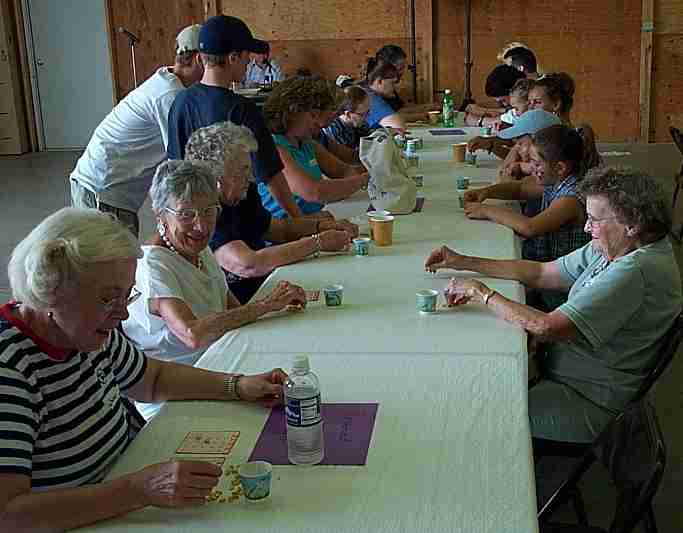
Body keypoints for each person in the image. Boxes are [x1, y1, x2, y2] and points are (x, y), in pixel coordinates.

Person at [0, 207, 291, 529]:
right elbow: (8, 515)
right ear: (52, 290)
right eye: (108, 299)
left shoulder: (85, 331)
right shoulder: (10, 370)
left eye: (127, 296)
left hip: (122, 489)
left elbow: (152, 379)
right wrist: (136, 490)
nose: (123, 314)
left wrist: (237, 385)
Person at [426, 167, 681, 444]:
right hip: (567, 369)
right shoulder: (618, 243)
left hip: (588, 396)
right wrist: (462, 262)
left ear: (632, 224)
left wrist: (482, 293)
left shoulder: (635, 270)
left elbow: (546, 327)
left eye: (594, 220)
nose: (586, 228)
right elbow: (541, 273)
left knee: (473, 411)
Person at [122, 161, 306, 418]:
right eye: (186, 214)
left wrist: (277, 303)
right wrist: (267, 305)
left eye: (209, 211)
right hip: (178, 393)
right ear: (160, 214)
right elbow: (192, 333)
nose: (201, 226)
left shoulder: (198, 250)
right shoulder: (153, 266)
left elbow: (234, 311)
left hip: (221, 365)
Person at [185, 122, 358, 303]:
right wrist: (318, 242)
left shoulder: (244, 192)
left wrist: (324, 226)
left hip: (268, 285)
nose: (251, 175)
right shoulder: (203, 211)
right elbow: (248, 264)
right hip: (241, 302)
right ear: (217, 175)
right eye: (243, 169)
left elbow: (279, 230)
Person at [69, 25, 204, 237]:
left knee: (118, 261)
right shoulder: (169, 96)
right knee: (114, 263)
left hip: (105, 185)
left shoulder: (168, 82)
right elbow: (184, 159)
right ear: (198, 59)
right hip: (103, 188)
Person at [167, 15, 302, 219]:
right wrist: (298, 218)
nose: (249, 61)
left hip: (201, 219)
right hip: (241, 219)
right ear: (233, 57)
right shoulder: (242, 109)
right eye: (247, 54)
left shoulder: (180, 102)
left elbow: (176, 170)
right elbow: (270, 174)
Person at [464, 125, 591, 308]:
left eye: (537, 164)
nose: (531, 169)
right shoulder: (554, 180)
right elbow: (521, 188)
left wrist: (486, 210)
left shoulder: (569, 199)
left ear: (560, 167)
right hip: (546, 274)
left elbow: (530, 227)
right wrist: (486, 192)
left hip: (563, 290)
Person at [259, 76, 369, 219]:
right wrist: (363, 179)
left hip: (315, 220)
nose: (322, 122)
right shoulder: (274, 147)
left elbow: (344, 171)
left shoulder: (307, 143)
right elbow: (314, 192)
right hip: (285, 231)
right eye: (313, 115)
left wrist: (352, 181)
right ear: (292, 112)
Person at [321, 85, 371, 151]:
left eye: (368, 111)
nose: (369, 114)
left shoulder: (359, 122)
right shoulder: (335, 132)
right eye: (363, 114)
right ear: (348, 114)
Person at [364, 61, 406, 131]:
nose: (395, 87)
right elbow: (398, 127)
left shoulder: (367, 90)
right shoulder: (370, 97)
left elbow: (398, 112)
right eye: (392, 83)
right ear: (379, 81)